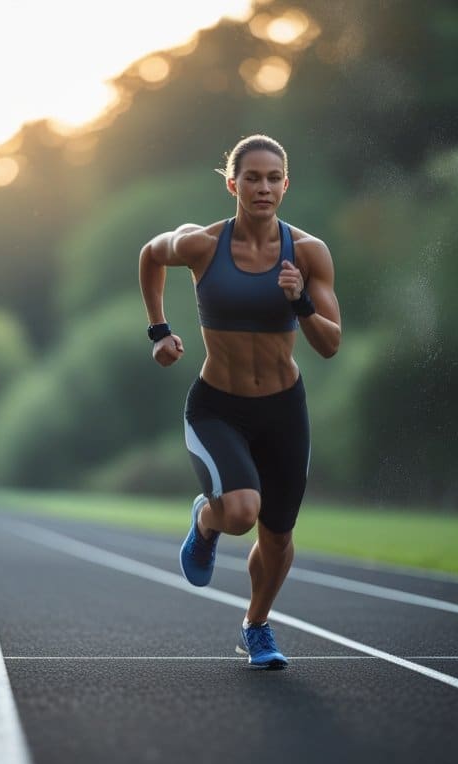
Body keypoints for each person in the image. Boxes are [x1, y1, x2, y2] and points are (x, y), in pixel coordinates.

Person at [137, 134, 341, 669]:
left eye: (274, 178)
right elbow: (149, 256)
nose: (264, 188)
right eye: (252, 177)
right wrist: (159, 331)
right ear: (233, 184)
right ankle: (207, 520)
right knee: (240, 513)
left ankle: (256, 625)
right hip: (218, 407)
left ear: (286, 185)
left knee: (277, 536)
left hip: (282, 410)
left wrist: (298, 300)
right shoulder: (200, 245)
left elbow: (329, 344)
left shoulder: (309, 253)